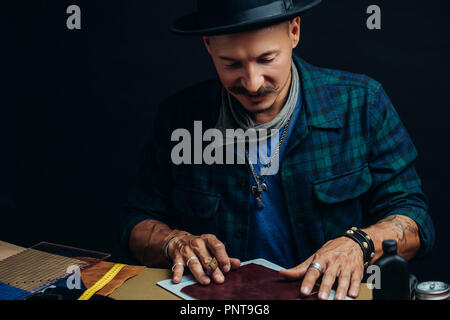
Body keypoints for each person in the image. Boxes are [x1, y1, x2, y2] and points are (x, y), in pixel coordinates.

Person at [120, 0, 435, 300]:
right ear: (208, 45)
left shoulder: (363, 103)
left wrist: (358, 244)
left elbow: (415, 218)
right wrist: (174, 242)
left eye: (267, 59)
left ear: (294, 31)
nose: (253, 83)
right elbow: (138, 221)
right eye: (231, 64)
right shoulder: (179, 118)